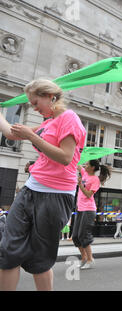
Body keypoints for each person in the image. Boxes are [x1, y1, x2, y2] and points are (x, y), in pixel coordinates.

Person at [0, 79, 86, 290]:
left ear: (51, 97)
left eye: (36, 103)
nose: (35, 108)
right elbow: (12, 133)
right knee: (8, 249)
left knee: (40, 256)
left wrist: (31, 136)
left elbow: (65, 157)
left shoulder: (69, 118)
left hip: (56, 196)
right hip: (31, 189)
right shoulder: (48, 123)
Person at [73, 160, 111, 270]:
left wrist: (80, 185)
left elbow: (89, 194)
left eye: (88, 164)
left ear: (93, 167)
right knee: (75, 236)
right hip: (80, 208)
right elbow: (77, 165)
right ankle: (84, 258)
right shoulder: (84, 173)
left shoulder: (95, 180)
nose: (86, 165)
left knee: (83, 235)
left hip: (89, 210)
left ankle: (90, 259)